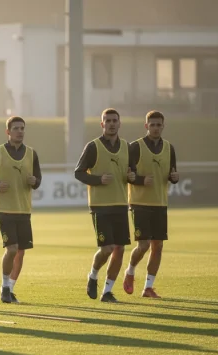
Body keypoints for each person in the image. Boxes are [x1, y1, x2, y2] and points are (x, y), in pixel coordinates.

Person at [0, 116, 42, 303]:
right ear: (8, 131)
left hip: (24, 209)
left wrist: (34, 182)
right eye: (16, 128)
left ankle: (10, 289)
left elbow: (38, 180)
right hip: (4, 209)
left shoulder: (31, 153)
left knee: (21, 251)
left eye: (22, 128)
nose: (20, 131)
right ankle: (4, 286)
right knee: (12, 249)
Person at [74, 108, 135, 303]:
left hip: (120, 204)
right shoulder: (93, 147)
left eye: (114, 120)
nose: (111, 124)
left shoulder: (127, 147)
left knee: (120, 249)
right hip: (100, 206)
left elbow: (131, 172)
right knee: (107, 248)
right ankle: (93, 275)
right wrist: (99, 179)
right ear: (102, 124)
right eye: (107, 121)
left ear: (119, 123)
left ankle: (107, 291)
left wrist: (132, 176)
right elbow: (79, 173)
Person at [123, 111, 179, 298]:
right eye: (152, 125)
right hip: (139, 203)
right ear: (146, 126)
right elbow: (126, 175)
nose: (155, 128)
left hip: (160, 203)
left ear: (163, 126)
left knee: (158, 246)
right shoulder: (135, 148)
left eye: (158, 125)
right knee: (143, 245)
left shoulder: (169, 148)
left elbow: (172, 174)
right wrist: (140, 180)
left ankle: (148, 287)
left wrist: (174, 178)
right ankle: (130, 271)